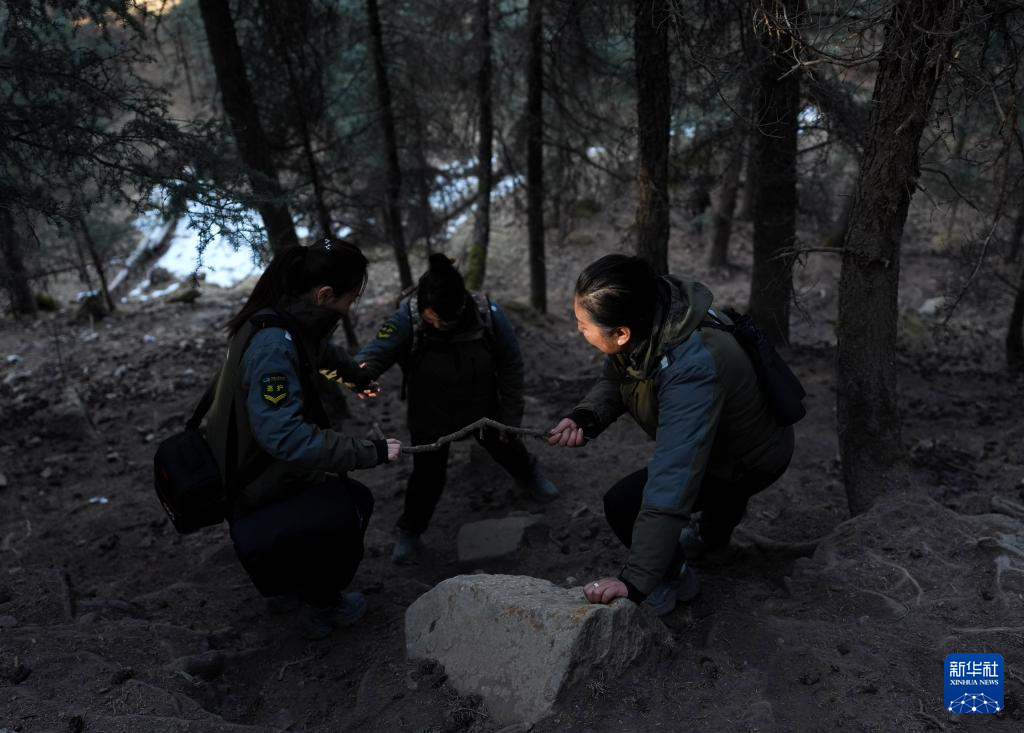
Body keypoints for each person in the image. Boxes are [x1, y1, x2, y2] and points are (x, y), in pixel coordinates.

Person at [548, 254, 794, 615]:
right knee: (711, 487)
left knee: (623, 503)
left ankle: (674, 578)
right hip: (737, 441)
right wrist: (587, 417)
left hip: (751, 458)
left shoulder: (690, 368)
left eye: (583, 325)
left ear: (621, 333)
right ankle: (711, 540)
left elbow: (674, 475)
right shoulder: (656, 313)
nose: (579, 331)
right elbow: (620, 377)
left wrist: (637, 580)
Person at [204, 237, 401, 639]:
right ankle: (323, 604)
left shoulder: (284, 318)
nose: (350, 308)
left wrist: (357, 378)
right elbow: (287, 438)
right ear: (324, 295)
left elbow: (320, 352)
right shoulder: (274, 345)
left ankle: (289, 583)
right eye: (350, 299)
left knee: (331, 500)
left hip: (251, 465)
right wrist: (370, 452)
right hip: (253, 480)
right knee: (352, 504)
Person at [356, 253, 559, 564]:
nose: (438, 324)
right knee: (427, 475)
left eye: (445, 320)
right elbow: (376, 353)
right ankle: (411, 531)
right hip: (429, 413)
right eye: (432, 318)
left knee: (507, 447)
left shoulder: (488, 314)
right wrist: (359, 374)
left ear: (461, 305)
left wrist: (510, 416)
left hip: (483, 406)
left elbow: (511, 366)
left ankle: (530, 476)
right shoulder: (407, 317)